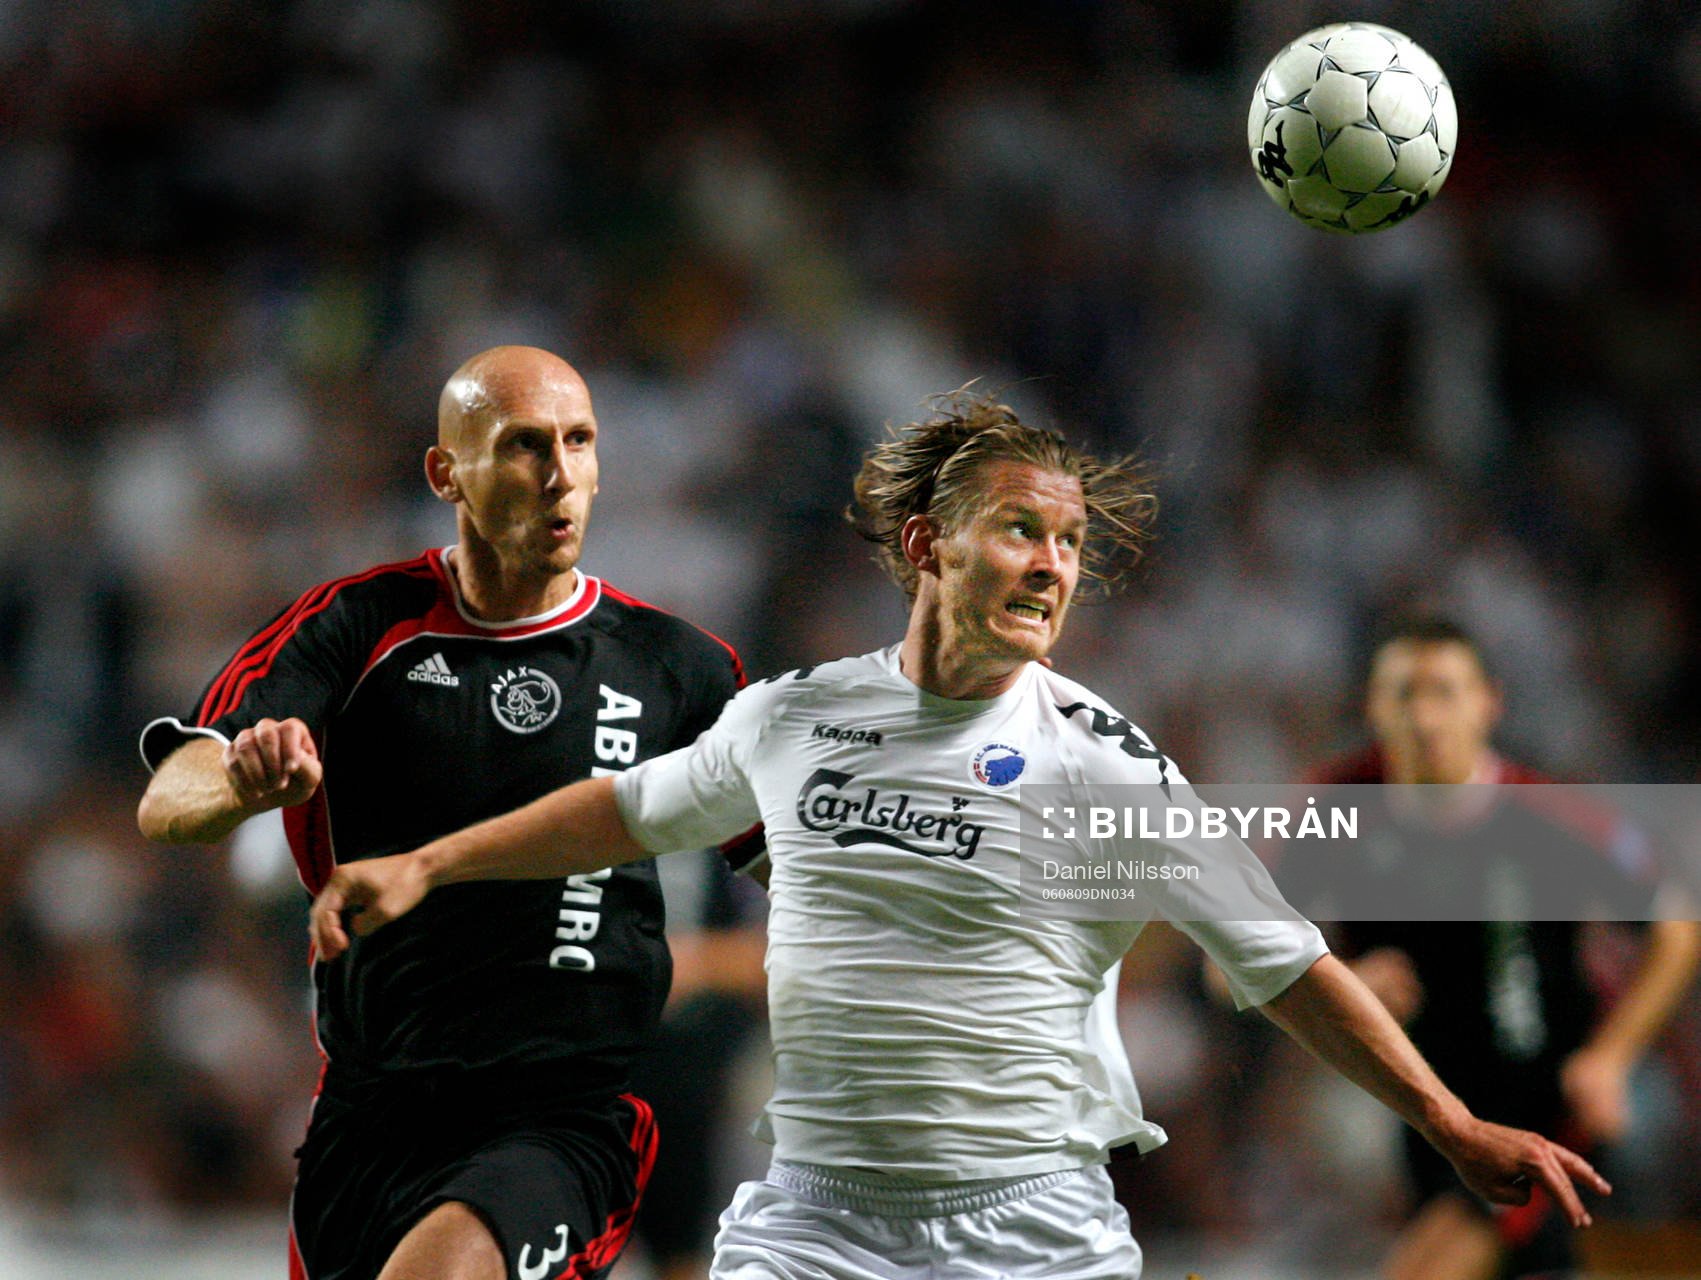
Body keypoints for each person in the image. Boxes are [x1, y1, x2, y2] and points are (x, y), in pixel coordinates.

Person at [308, 393, 1611, 1279]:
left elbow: (1288, 969)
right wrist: (432, 861)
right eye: (1021, 530)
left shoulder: (1107, 765)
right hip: (814, 1220)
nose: (1052, 565)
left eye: (1069, 543)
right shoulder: (799, 717)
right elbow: (629, 809)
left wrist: (1449, 1124)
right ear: (930, 544)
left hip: (1031, 1231)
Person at [136, 346, 758, 1280]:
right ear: (446, 474)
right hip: (368, 1120)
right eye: (521, 446)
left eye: (578, 442)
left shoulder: (678, 667)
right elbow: (169, 796)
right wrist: (238, 784)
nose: (559, 476)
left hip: (561, 1122)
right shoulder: (357, 626)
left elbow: (809, 873)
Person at [1290, 615, 1701, 1280]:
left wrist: (1610, 1058)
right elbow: (1230, 958)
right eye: (1403, 693)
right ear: (1371, 705)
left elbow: (1676, 927)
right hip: (1420, 1103)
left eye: (1443, 692)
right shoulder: (1328, 807)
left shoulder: (1550, 815)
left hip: (1544, 1110)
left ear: (1488, 704)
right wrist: (1338, 976)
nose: (1423, 717)